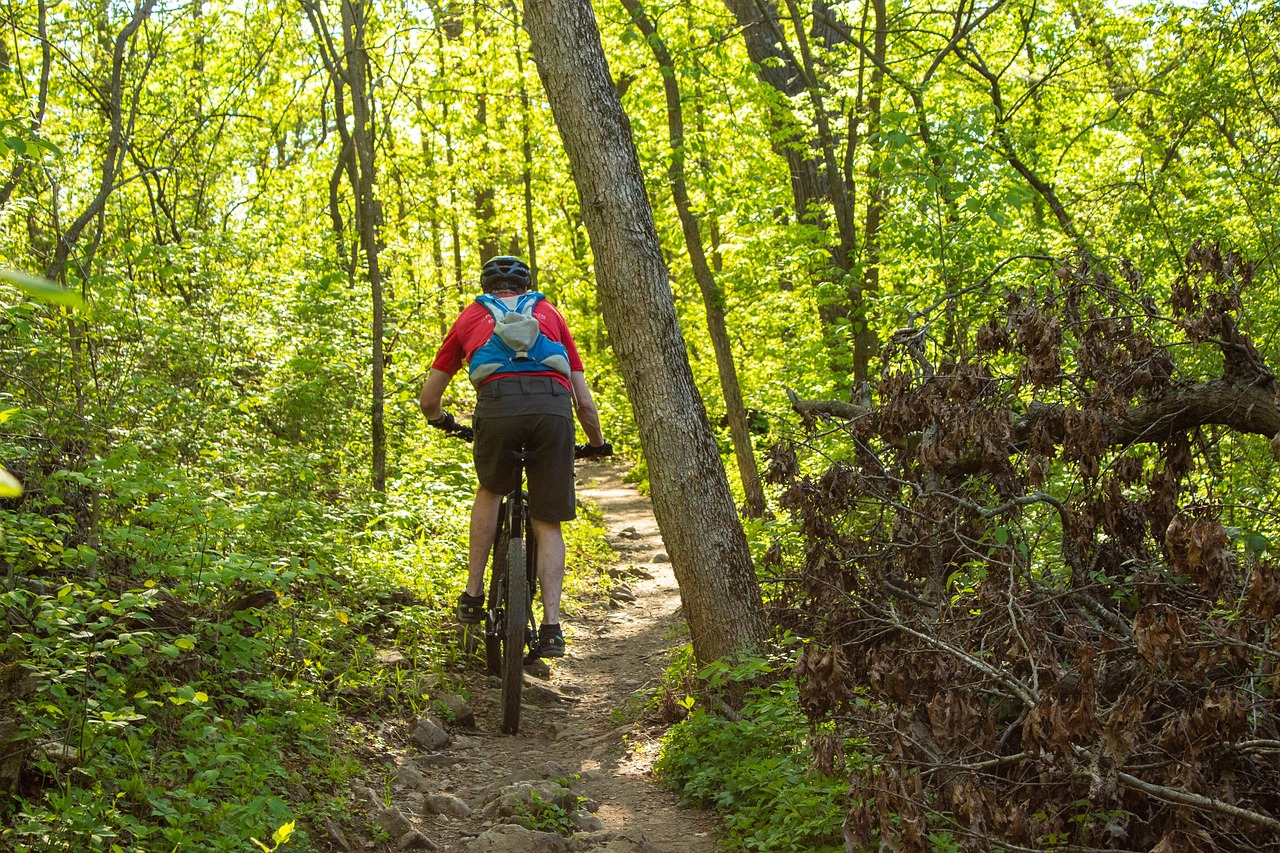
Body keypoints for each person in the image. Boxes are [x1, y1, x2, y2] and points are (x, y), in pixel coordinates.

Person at [419, 255, 610, 657]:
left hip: (497, 407)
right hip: (552, 410)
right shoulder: (549, 313)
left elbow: (428, 399)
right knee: (547, 519)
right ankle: (552, 626)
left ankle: (472, 594)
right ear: (526, 286)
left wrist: (442, 422)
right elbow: (586, 405)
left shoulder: (470, 317)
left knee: (490, 490)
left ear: (487, 286)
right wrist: (596, 444)